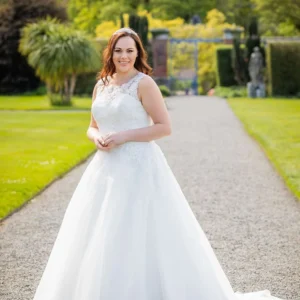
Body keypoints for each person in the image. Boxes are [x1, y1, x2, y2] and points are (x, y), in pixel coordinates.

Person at [32, 28, 282, 300]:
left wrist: (124, 136)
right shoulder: (101, 84)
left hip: (138, 167)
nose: (123, 56)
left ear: (138, 53)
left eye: (129, 50)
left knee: (138, 230)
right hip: (104, 169)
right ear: (110, 53)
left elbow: (164, 127)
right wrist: (97, 138)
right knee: (100, 230)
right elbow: (91, 126)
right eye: (118, 50)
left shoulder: (144, 83)